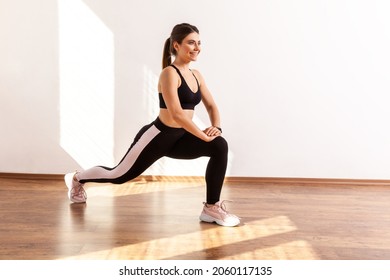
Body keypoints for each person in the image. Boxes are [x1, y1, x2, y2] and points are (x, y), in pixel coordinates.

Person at [64, 23, 240, 227]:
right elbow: (177, 113)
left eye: (199, 43)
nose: (197, 47)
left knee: (220, 145)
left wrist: (216, 128)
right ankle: (77, 178)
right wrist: (203, 135)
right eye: (191, 43)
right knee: (119, 175)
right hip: (158, 136)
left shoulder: (197, 75)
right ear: (176, 45)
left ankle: (211, 208)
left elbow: (211, 105)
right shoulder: (169, 73)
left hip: (181, 137)